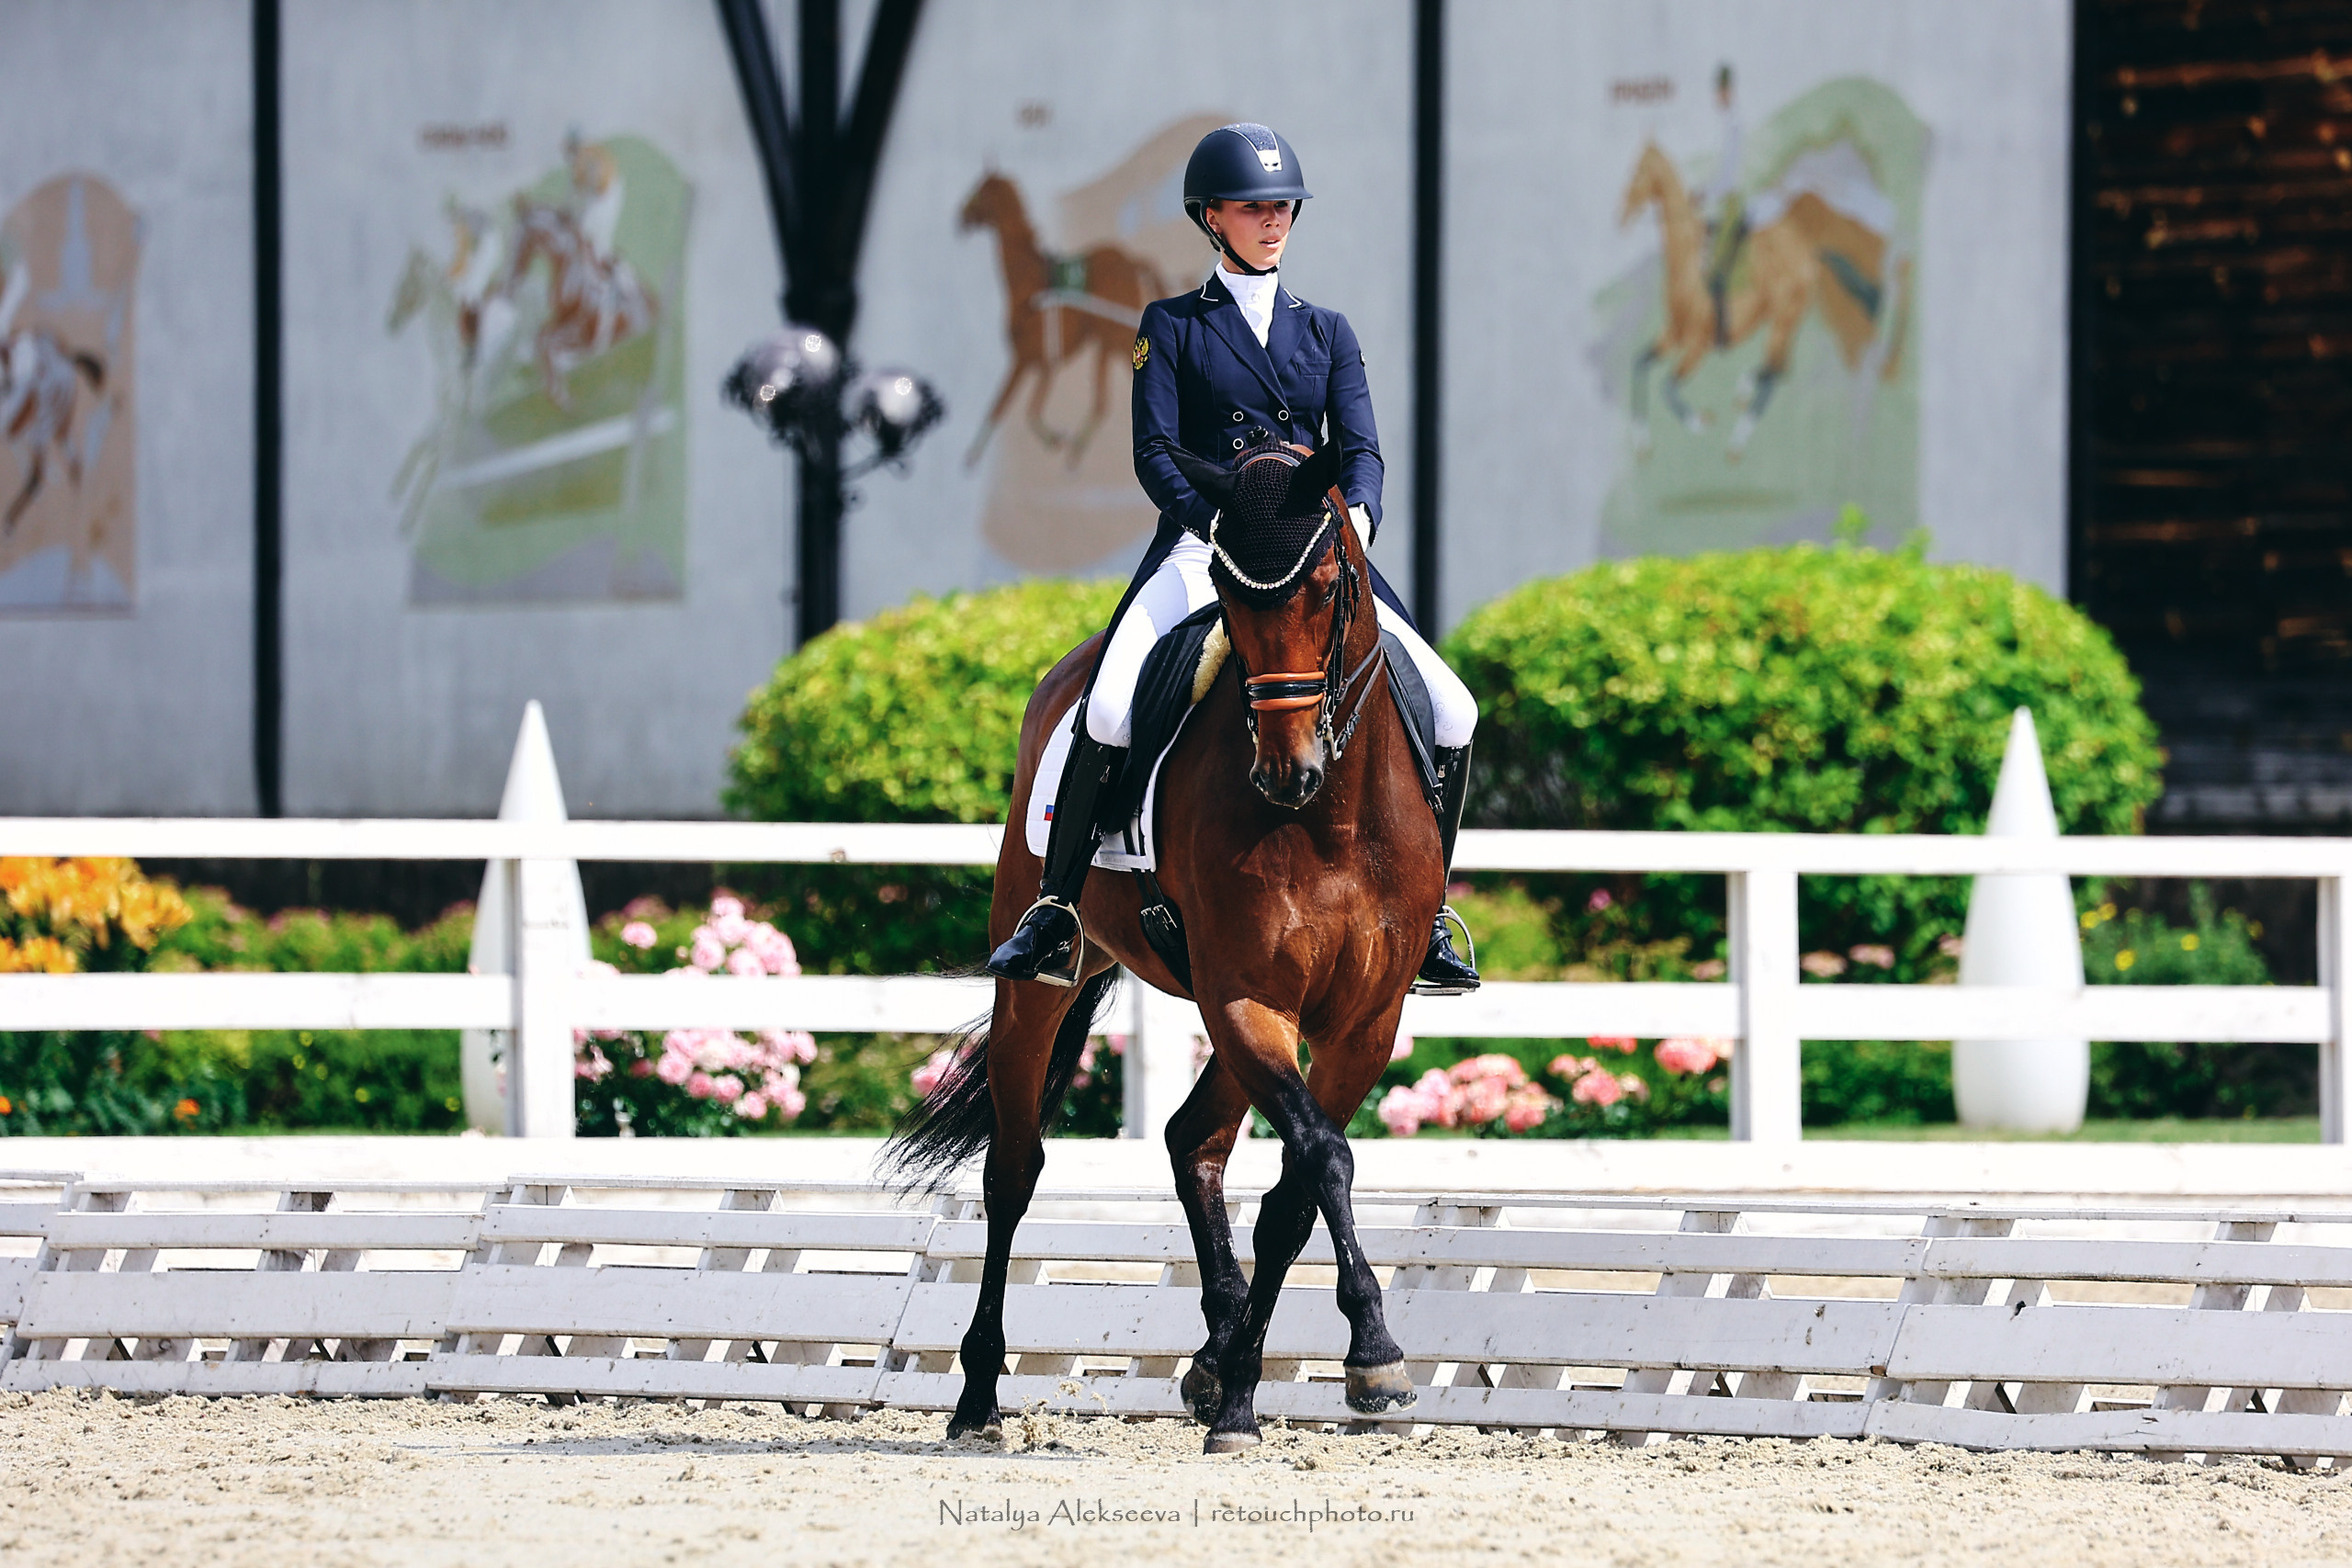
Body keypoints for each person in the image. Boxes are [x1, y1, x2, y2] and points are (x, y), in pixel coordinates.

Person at [987, 121, 1480, 995]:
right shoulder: (1170, 326)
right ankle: (1059, 909)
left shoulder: (1326, 331)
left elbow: (1361, 451)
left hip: (1321, 562)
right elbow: (1156, 451)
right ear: (1211, 218)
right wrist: (1212, 525)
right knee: (1103, 707)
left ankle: (1431, 914)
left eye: (1282, 205)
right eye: (1254, 207)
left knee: (1454, 709)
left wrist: (1355, 529)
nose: (1273, 219)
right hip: (1200, 549)